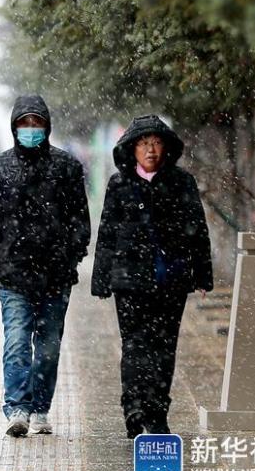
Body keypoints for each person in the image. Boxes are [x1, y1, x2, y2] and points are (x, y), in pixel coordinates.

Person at [0, 94, 91, 437]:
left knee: (49, 346)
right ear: (14, 127)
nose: (30, 129)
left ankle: (40, 408)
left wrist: (72, 254)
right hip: (13, 277)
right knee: (16, 341)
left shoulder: (66, 168)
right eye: (24, 123)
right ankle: (17, 408)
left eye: (36, 123)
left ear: (46, 126)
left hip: (56, 275)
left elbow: (78, 219)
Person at [91, 114, 213, 438]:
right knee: (135, 346)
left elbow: (197, 230)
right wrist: (101, 277)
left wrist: (202, 274)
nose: (150, 150)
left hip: (170, 280)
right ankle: (133, 408)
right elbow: (107, 233)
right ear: (132, 149)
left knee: (164, 348)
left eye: (156, 143)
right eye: (144, 144)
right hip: (130, 281)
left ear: (166, 147)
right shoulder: (119, 184)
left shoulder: (182, 182)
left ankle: (157, 412)